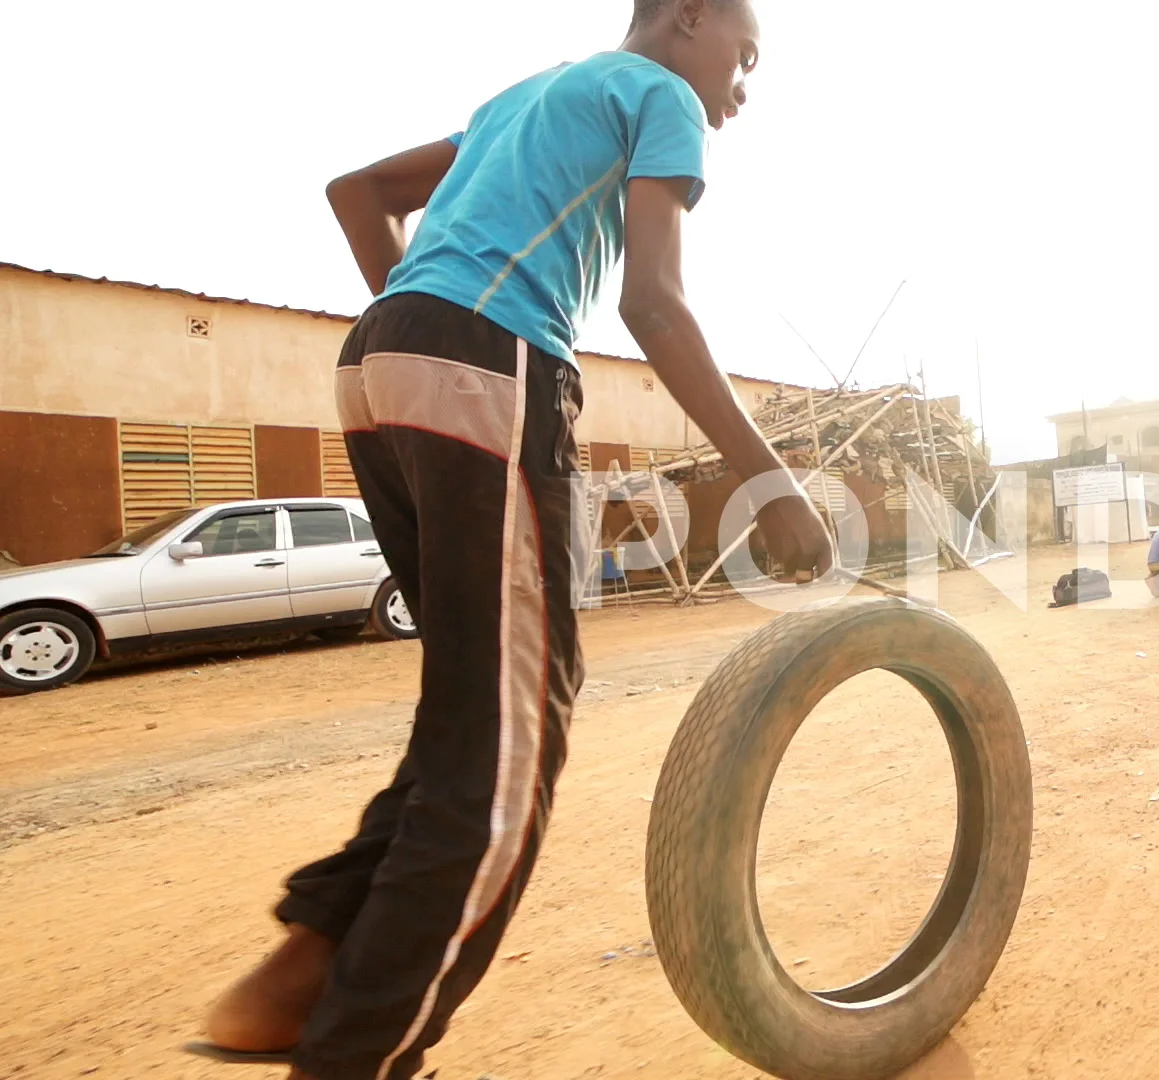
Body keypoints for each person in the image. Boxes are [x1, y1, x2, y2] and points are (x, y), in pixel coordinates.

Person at [200, 5, 834, 1078]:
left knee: (470, 707)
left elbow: (355, 194)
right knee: (512, 747)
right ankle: (355, 1054)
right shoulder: (663, 98)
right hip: (487, 364)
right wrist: (771, 481)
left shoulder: (528, 95)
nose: (744, 88)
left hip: (378, 364)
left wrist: (427, 319)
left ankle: (310, 959)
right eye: (748, 56)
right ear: (686, 20)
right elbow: (656, 305)